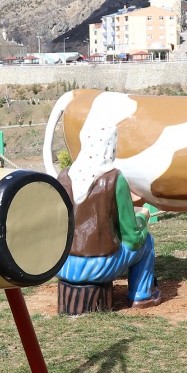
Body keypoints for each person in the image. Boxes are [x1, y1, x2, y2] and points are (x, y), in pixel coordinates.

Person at [56, 122, 159, 308]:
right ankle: (141, 296)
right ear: (111, 146)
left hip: (62, 263)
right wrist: (142, 218)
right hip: (99, 267)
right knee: (146, 243)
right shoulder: (114, 179)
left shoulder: (63, 176)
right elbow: (132, 238)